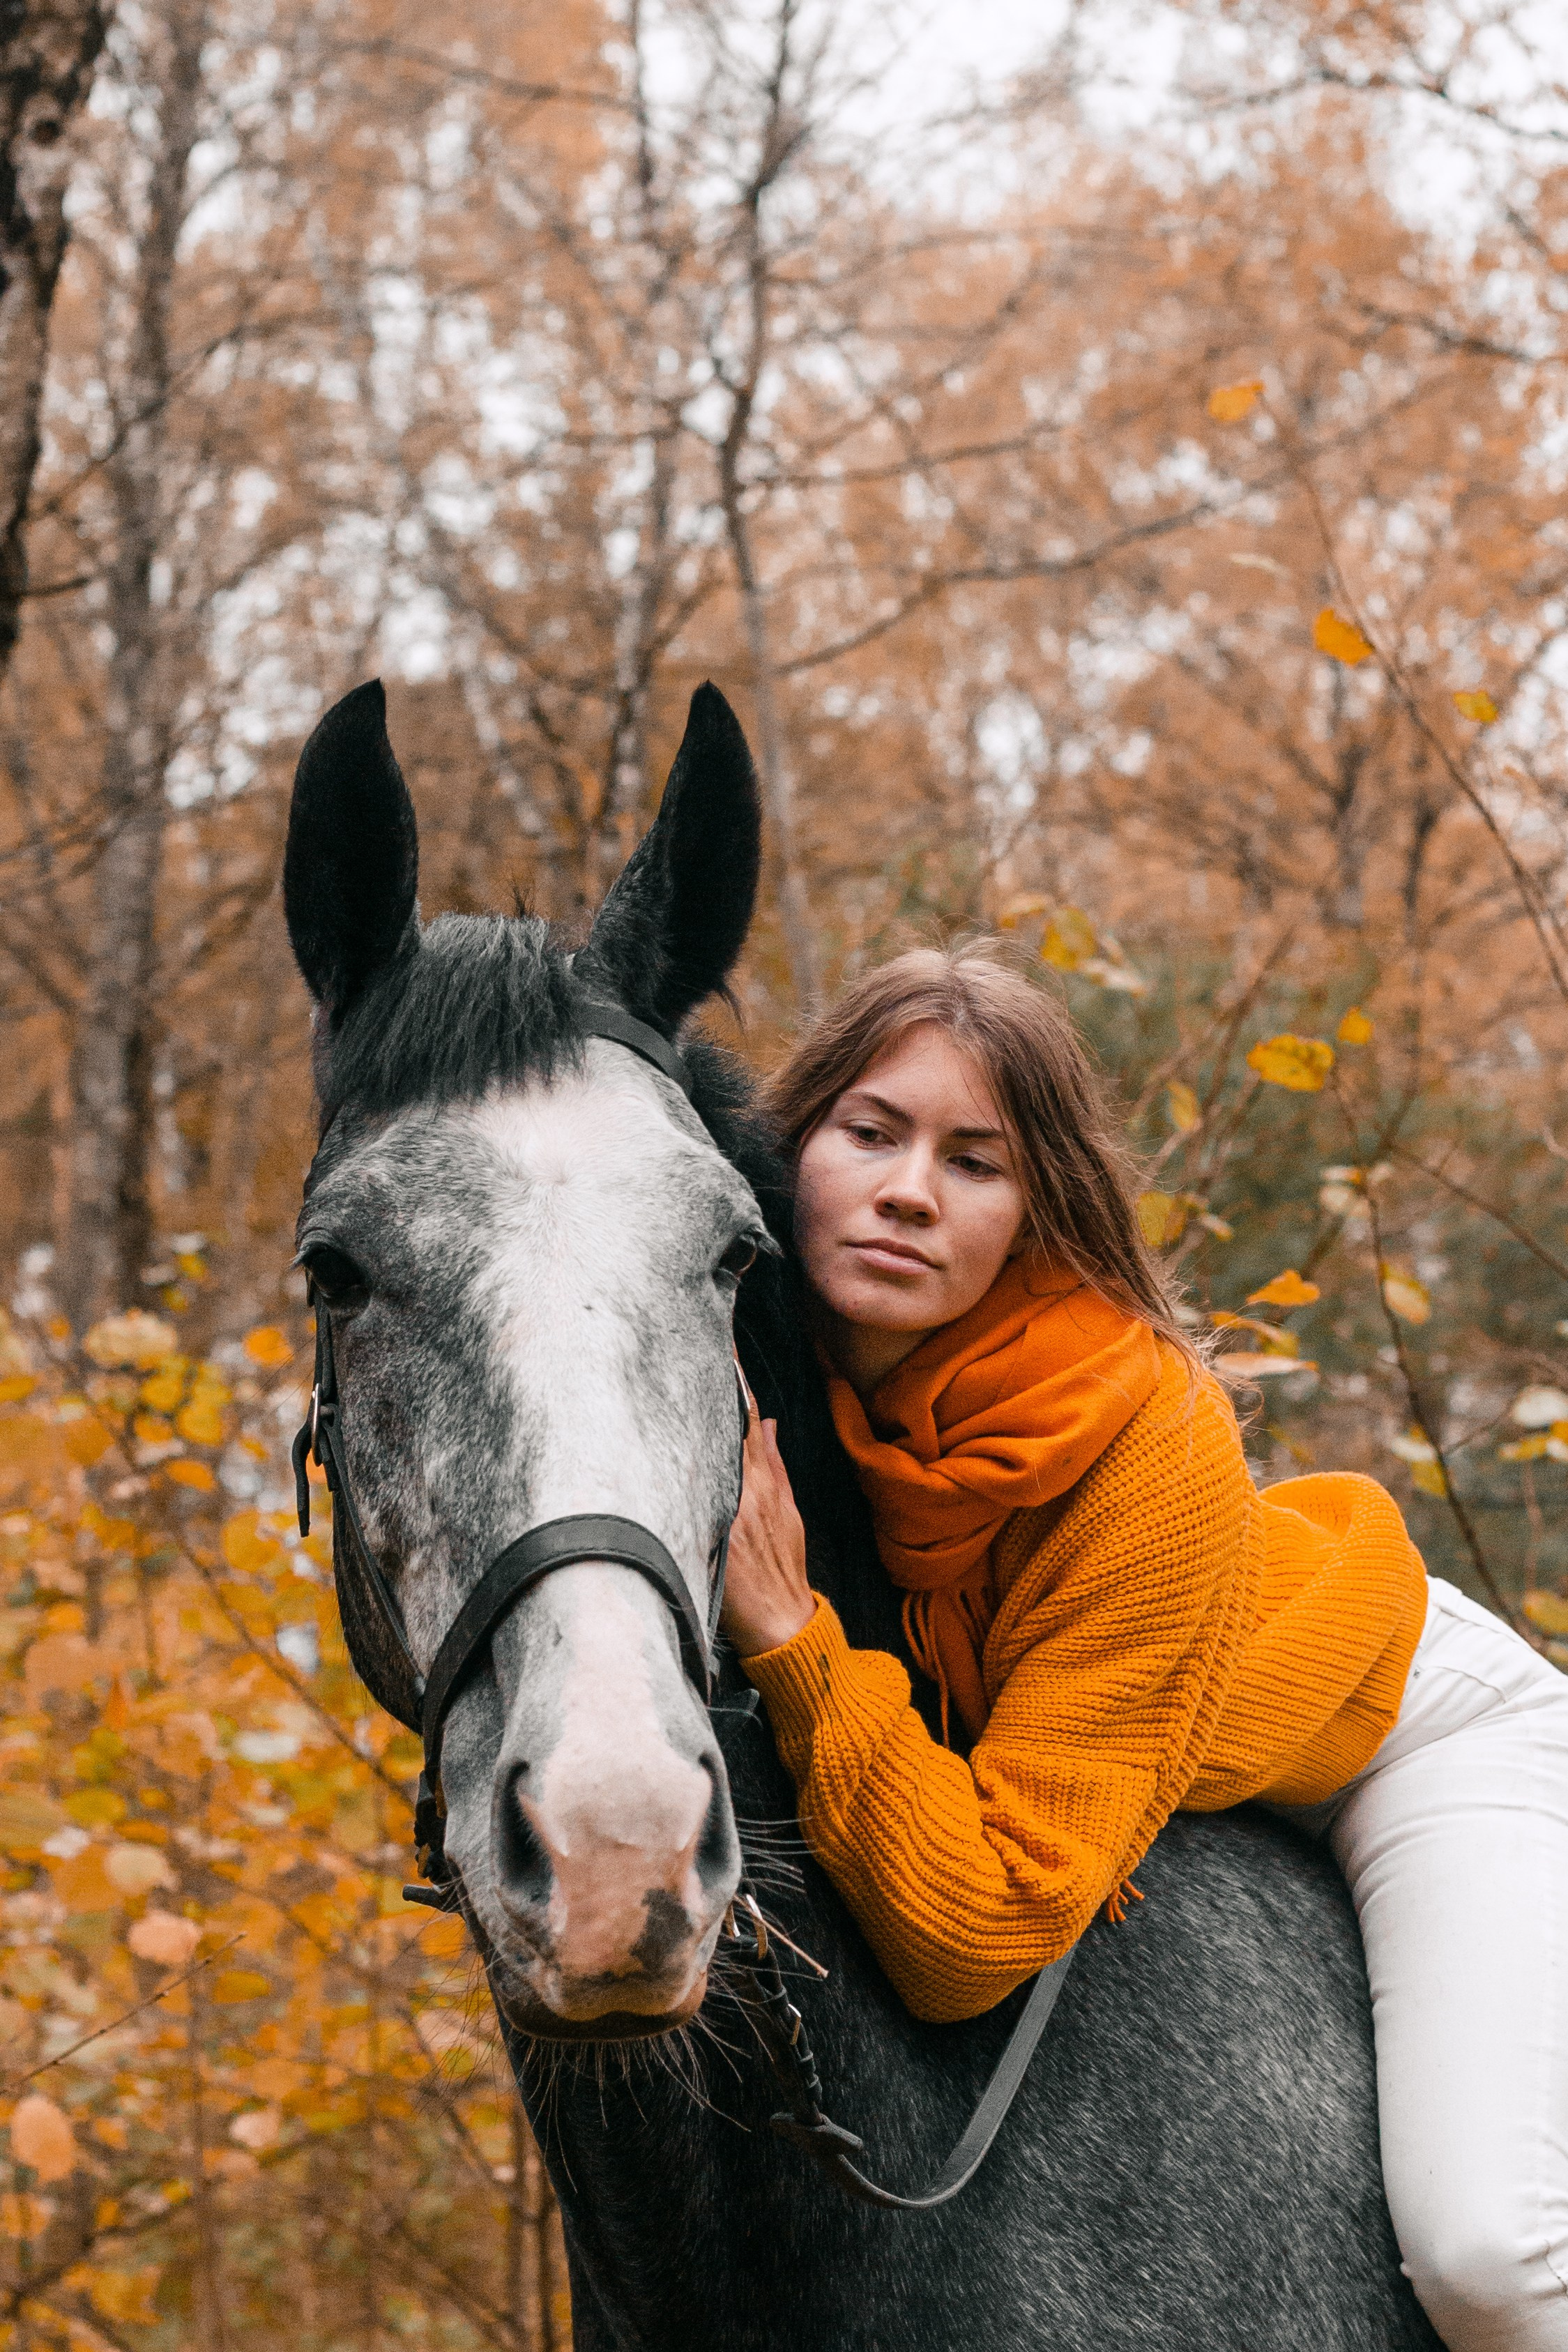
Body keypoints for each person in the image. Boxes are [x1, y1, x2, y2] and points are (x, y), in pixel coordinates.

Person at [722, 941, 1568, 2352]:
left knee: (1493, 2249)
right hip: (1188, 1772)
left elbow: (976, 1932)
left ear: (1031, 1213)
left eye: (975, 1162)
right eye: (870, 1132)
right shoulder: (783, 1383)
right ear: (795, 1147)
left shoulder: (1140, 1429)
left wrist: (797, 1639)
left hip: (1418, 1731)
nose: (909, 1189)